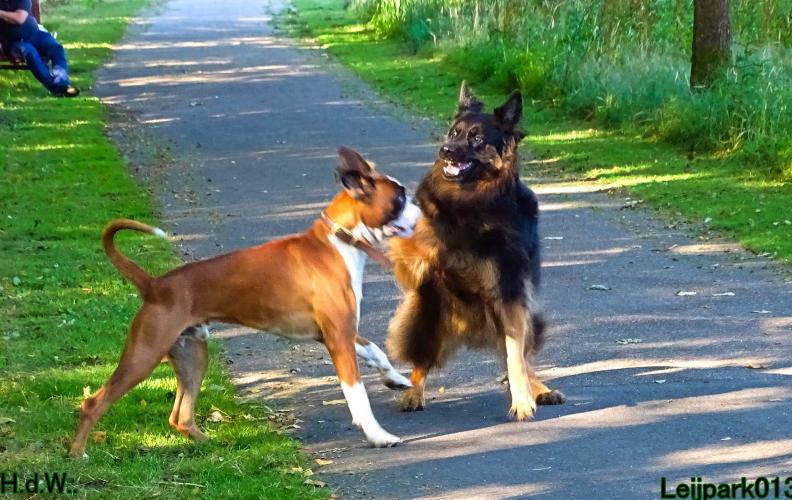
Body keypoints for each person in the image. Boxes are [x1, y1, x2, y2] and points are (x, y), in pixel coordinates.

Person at [0, 0, 78, 97]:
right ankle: (58, 88)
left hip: (36, 34)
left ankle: (61, 83)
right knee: (30, 53)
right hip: (15, 41)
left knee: (56, 48)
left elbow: (19, 18)